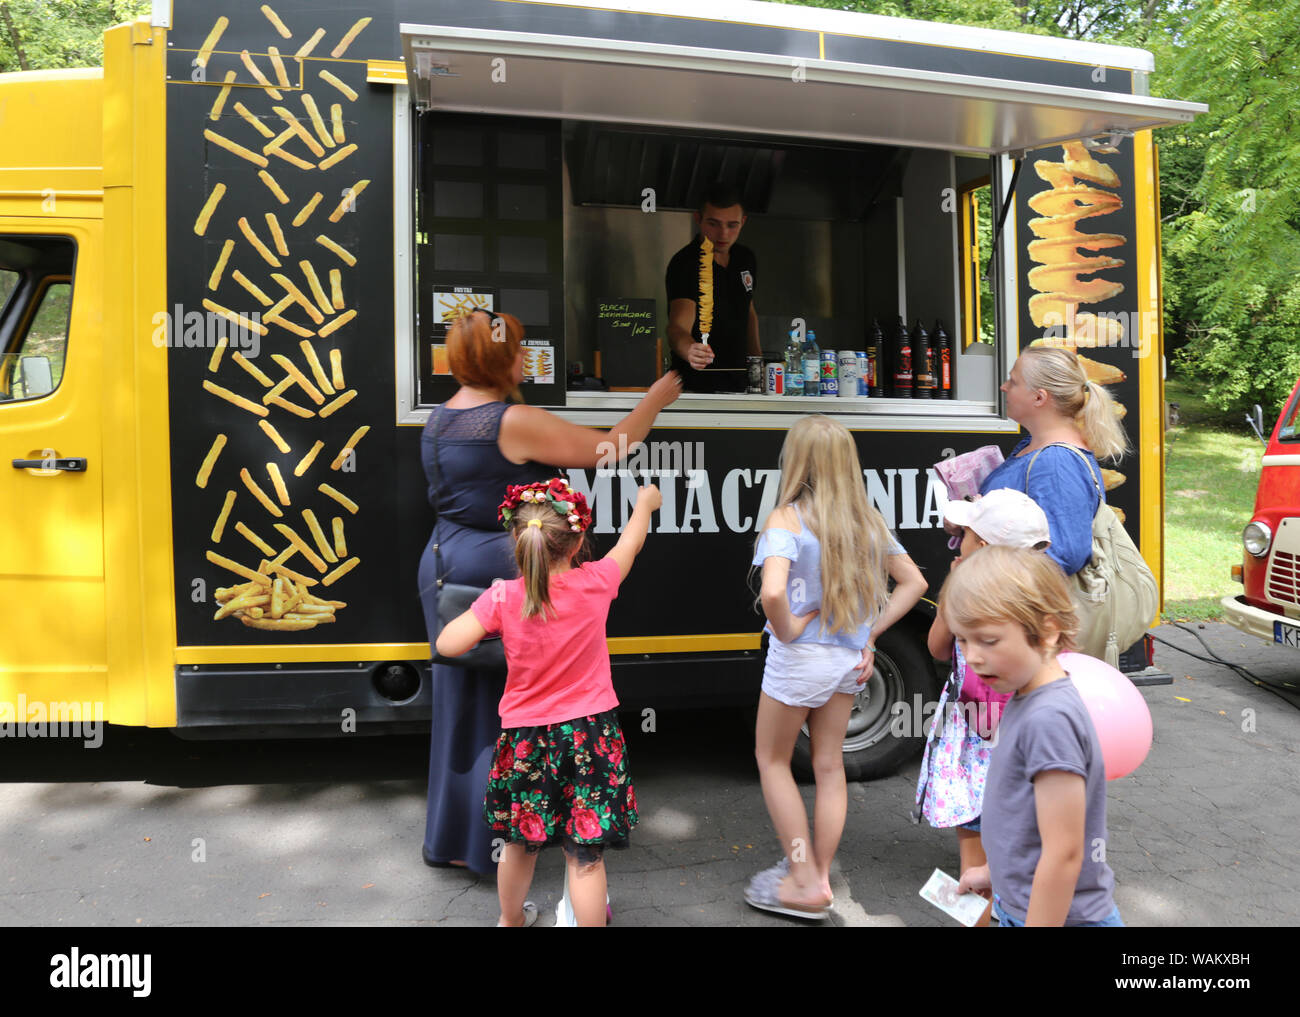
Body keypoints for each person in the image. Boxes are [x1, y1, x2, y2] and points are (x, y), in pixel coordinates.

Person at [418, 309, 681, 877]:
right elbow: (611, 448)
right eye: (514, 349)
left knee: (463, 710)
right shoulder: (510, 420)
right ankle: (508, 846)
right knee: (510, 713)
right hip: (497, 569)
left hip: (442, 565)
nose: (521, 358)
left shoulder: (440, 418)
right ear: (496, 359)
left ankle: (457, 840)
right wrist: (656, 399)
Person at [435, 478, 660, 927]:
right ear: (578, 543)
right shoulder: (597, 581)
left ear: (517, 540)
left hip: (526, 739)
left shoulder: (504, 597)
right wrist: (645, 505)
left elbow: (447, 644)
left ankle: (511, 921)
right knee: (585, 856)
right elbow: (630, 544)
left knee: (520, 843)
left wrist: (499, 626)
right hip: (590, 736)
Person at [745, 415, 927, 917]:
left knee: (773, 761)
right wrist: (870, 631)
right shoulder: (866, 519)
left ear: (796, 461)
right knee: (828, 766)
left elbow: (774, 591)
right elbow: (914, 583)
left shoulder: (787, 518)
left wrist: (785, 628)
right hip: (849, 659)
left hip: (800, 659)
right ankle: (819, 873)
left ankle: (802, 879)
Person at [945, 545, 1124, 927]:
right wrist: (994, 874)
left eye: (988, 640)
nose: (973, 656)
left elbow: (1063, 852)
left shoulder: (1049, 719)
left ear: (1046, 631)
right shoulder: (1025, 696)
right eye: (962, 640)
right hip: (1023, 908)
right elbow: (1025, 820)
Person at [912, 489, 1053, 927]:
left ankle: (981, 913)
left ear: (984, 548)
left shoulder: (967, 596)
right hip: (1020, 732)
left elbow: (937, 649)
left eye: (965, 535)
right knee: (1017, 834)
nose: (956, 542)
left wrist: (950, 592)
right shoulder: (1038, 600)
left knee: (973, 833)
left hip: (973, 733)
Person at [976, 346, 1128, 576]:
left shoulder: (1057, 462)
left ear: (1039, 397)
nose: (1004, 387)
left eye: (1013, 382)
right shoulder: (1035, 447)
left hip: (1026, 609)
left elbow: (1065, 556)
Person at [665, 182, 761, 393]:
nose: (723, 234)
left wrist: (758, 366)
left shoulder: (745, 258)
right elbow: (677, 327)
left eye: (732, 225)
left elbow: (749, 312)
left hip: (740, 383)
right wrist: (690, 350)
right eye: (714, 223)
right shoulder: (686, 263)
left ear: (743, 222)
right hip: (696, 385)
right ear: (698, 219)